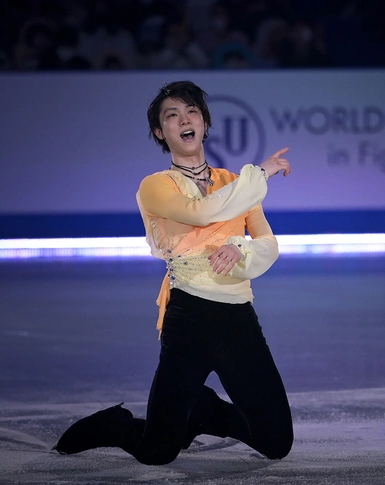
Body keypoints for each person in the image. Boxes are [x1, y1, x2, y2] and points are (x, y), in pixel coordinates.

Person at [53, 80, 294, 465]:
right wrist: (260, 174)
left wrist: (240, 247)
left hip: (238, 320)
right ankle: (114, 425)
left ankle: (208, 412)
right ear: (160, 132)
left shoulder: (236, 183)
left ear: (204, 122)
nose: (184, 119)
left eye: (191, 111)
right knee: (157, 451)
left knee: (276, 442)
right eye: (172, 115)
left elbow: (269, 244)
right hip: (189, 320)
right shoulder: (156, 186)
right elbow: (201, 212)